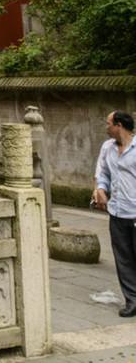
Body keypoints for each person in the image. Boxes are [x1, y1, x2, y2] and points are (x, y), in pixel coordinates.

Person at [93, 110, 136, 317]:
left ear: (119, 125)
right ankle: (132, 300)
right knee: (123, 259)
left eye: (108, 123)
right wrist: (101, 188)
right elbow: (103, 173)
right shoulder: (107, 148)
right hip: (117, 212)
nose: (106, 127)